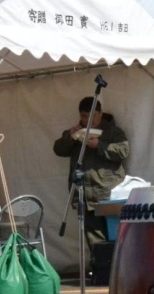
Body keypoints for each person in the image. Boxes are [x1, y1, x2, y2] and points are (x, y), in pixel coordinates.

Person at [53, 97, 129, 250]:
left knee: (117, 238)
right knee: (95, 243)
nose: (88, 120)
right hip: (85, 196)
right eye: (84, 116)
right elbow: (59, 150)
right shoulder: (76, 132)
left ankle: (117, 271)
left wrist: (99, 145)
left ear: (100, 114)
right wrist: (70, 137)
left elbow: (123, 151)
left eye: (92, 116)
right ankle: (99, 270)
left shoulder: (112, 131)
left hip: (109, 194)